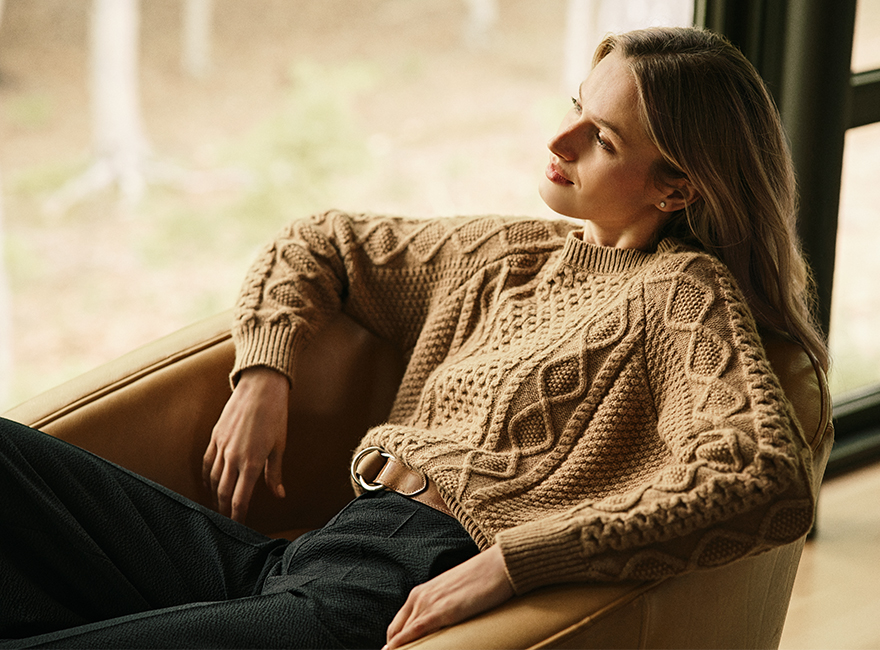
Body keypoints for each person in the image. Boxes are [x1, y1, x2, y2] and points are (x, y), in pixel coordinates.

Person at [0, 26, 828, 649]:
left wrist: (514, 561)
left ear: (679, 186)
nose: (558, 142)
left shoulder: (683, 291)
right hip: (300, 557)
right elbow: (318, 241)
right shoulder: (507, 254)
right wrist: (263, 373)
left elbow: (762, 478)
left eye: (602, 140)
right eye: (576, 108)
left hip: (391, 584)